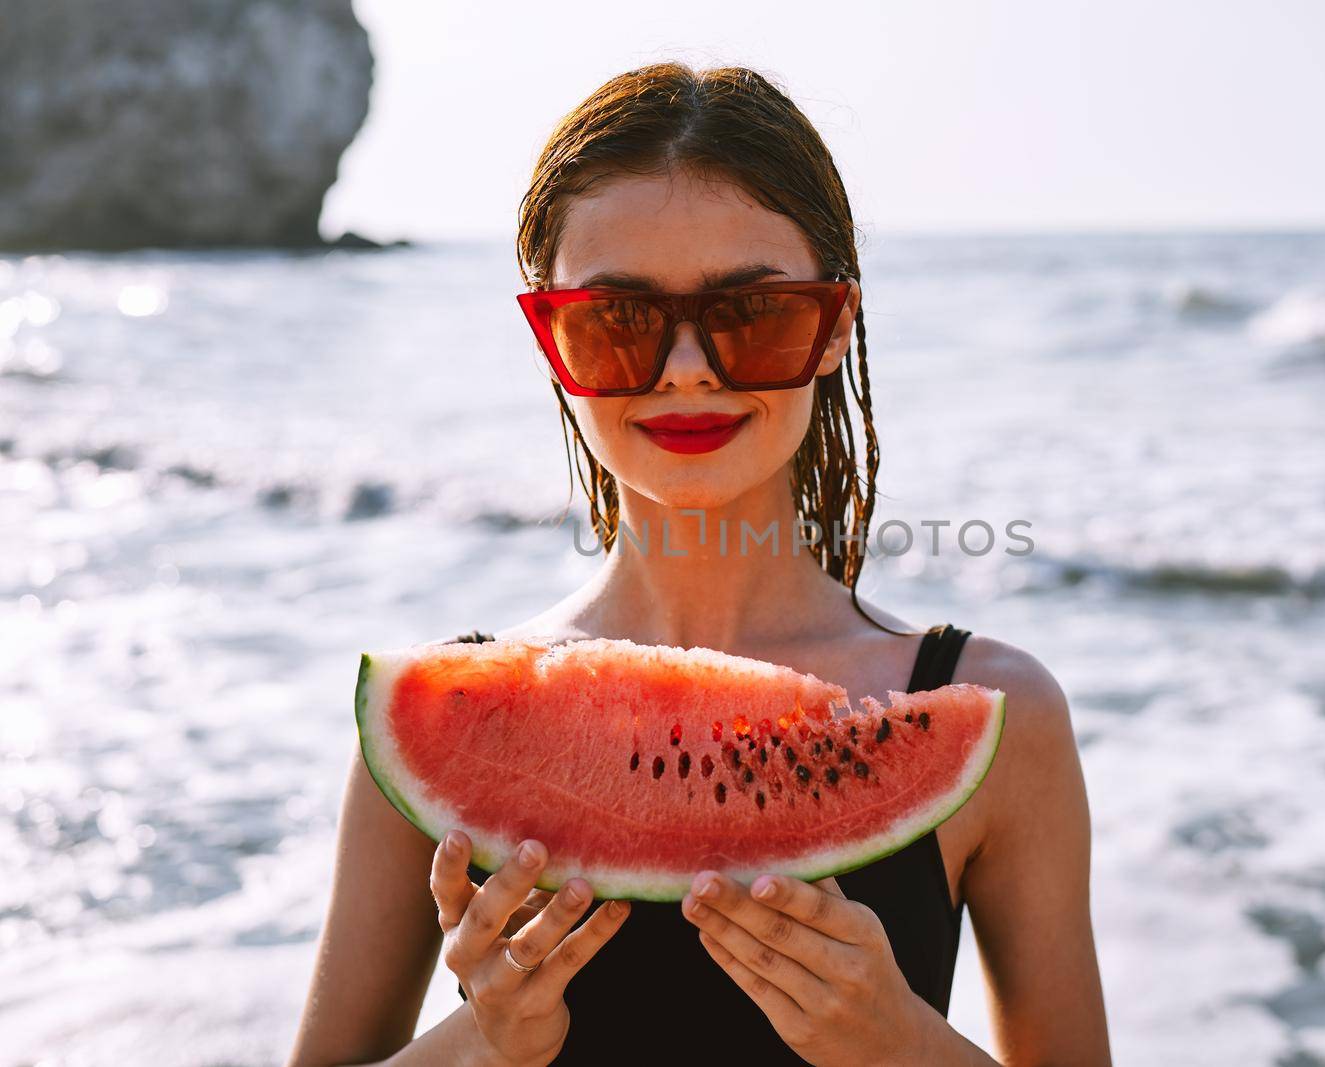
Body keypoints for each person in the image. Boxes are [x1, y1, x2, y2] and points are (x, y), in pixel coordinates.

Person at [288, 61, 1110, 1067]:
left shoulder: (995, 714)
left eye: (751, 316)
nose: (686, 369)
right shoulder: (435, 715)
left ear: (832, 324)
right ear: (551, 338)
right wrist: (483, 1043)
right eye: (618, 320)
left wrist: (898, 1042)